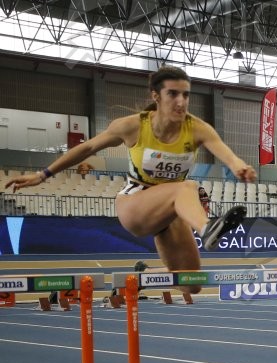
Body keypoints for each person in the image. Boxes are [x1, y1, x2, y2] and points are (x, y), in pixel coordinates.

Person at [3, 66, 253, 294]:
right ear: (156, 96)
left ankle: (141, 277)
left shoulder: (198, 129)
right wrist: (42, 175)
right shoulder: (132, 126)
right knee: (186, 187)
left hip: (168, 213)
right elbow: (87, 148)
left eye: (186, 95)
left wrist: (240, 167)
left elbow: (227, 155)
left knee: (192, 283)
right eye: (173, 94)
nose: (181, 102)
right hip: (134, 206)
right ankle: (207, 228)